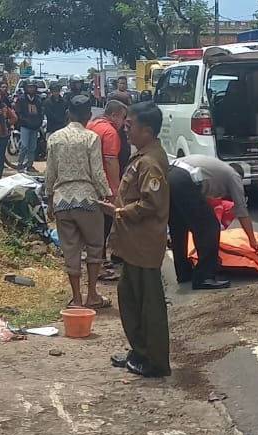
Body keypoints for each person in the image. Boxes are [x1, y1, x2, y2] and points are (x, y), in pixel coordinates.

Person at [102, 102, 171, 378]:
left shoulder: (150, 162)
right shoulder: (142, 156)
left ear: (148, 131)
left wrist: (119, 212)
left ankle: (154, 360)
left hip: (144, 245)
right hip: (133, 244)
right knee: (130, 300)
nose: (126, 131)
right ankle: (139, 351)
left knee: (148, 305)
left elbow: (151, 203)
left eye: (131, 127)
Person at [46, 95, 113, 310]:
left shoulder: (54, 138)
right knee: (95, 246)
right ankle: (92, 294)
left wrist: (49, 199)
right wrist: (108, 195)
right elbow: (97, 172)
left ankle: (76, 299)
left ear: (68, 114)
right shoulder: (91, 138)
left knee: (70, 250)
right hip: (87, 198)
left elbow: (50, 173)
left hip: (62, 200)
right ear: (87, 115)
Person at [169, 155, 258, 290]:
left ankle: (184, 273)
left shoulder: (216, 171)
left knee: (179, 227)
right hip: (184, 178)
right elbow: (242, 211)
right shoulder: (233, 176)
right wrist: (252, 240)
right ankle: (204, 277)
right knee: (209, 227)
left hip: (169, 174)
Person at [87, 99, 129, 281]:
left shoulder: (91, 125)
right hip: (104, 184)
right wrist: (115, 188)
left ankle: (97, 259)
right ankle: (101, 262)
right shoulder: (110, 132)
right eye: (123, 117)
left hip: (90, 181)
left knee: (95, 225)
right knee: (104, 225)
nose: (124, 123)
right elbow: (111, 161)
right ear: (114, 115)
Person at [15, 80, 43, 172]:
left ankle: (30, 165)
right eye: (29, 87)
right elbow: (18, 113)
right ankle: (20, 164)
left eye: (33, 87)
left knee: (33, 147)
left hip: (35, 127)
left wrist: (39, 122)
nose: (31, 89)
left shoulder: (38, 100)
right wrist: (25, 121)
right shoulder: (21, 99)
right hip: (25, 126)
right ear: (25, 88)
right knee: (24, 146)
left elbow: (41, 113)